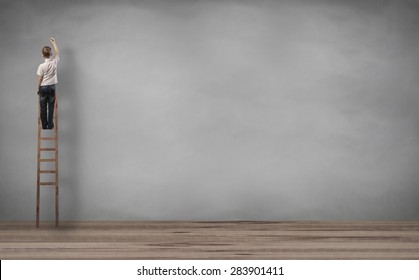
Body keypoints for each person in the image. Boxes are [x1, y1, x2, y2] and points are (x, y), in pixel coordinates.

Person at [37, 37, 59, 129]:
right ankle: (50, 125)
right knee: (51, 107)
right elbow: (57, 52)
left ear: (43, 55)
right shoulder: (54, 62)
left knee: (43, 107)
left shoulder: (41, 66)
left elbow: (40, 78)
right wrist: (54, 42)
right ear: (51, 54)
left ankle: (44, 125)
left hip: (43, 87)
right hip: (52, 87)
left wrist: (38, 89)